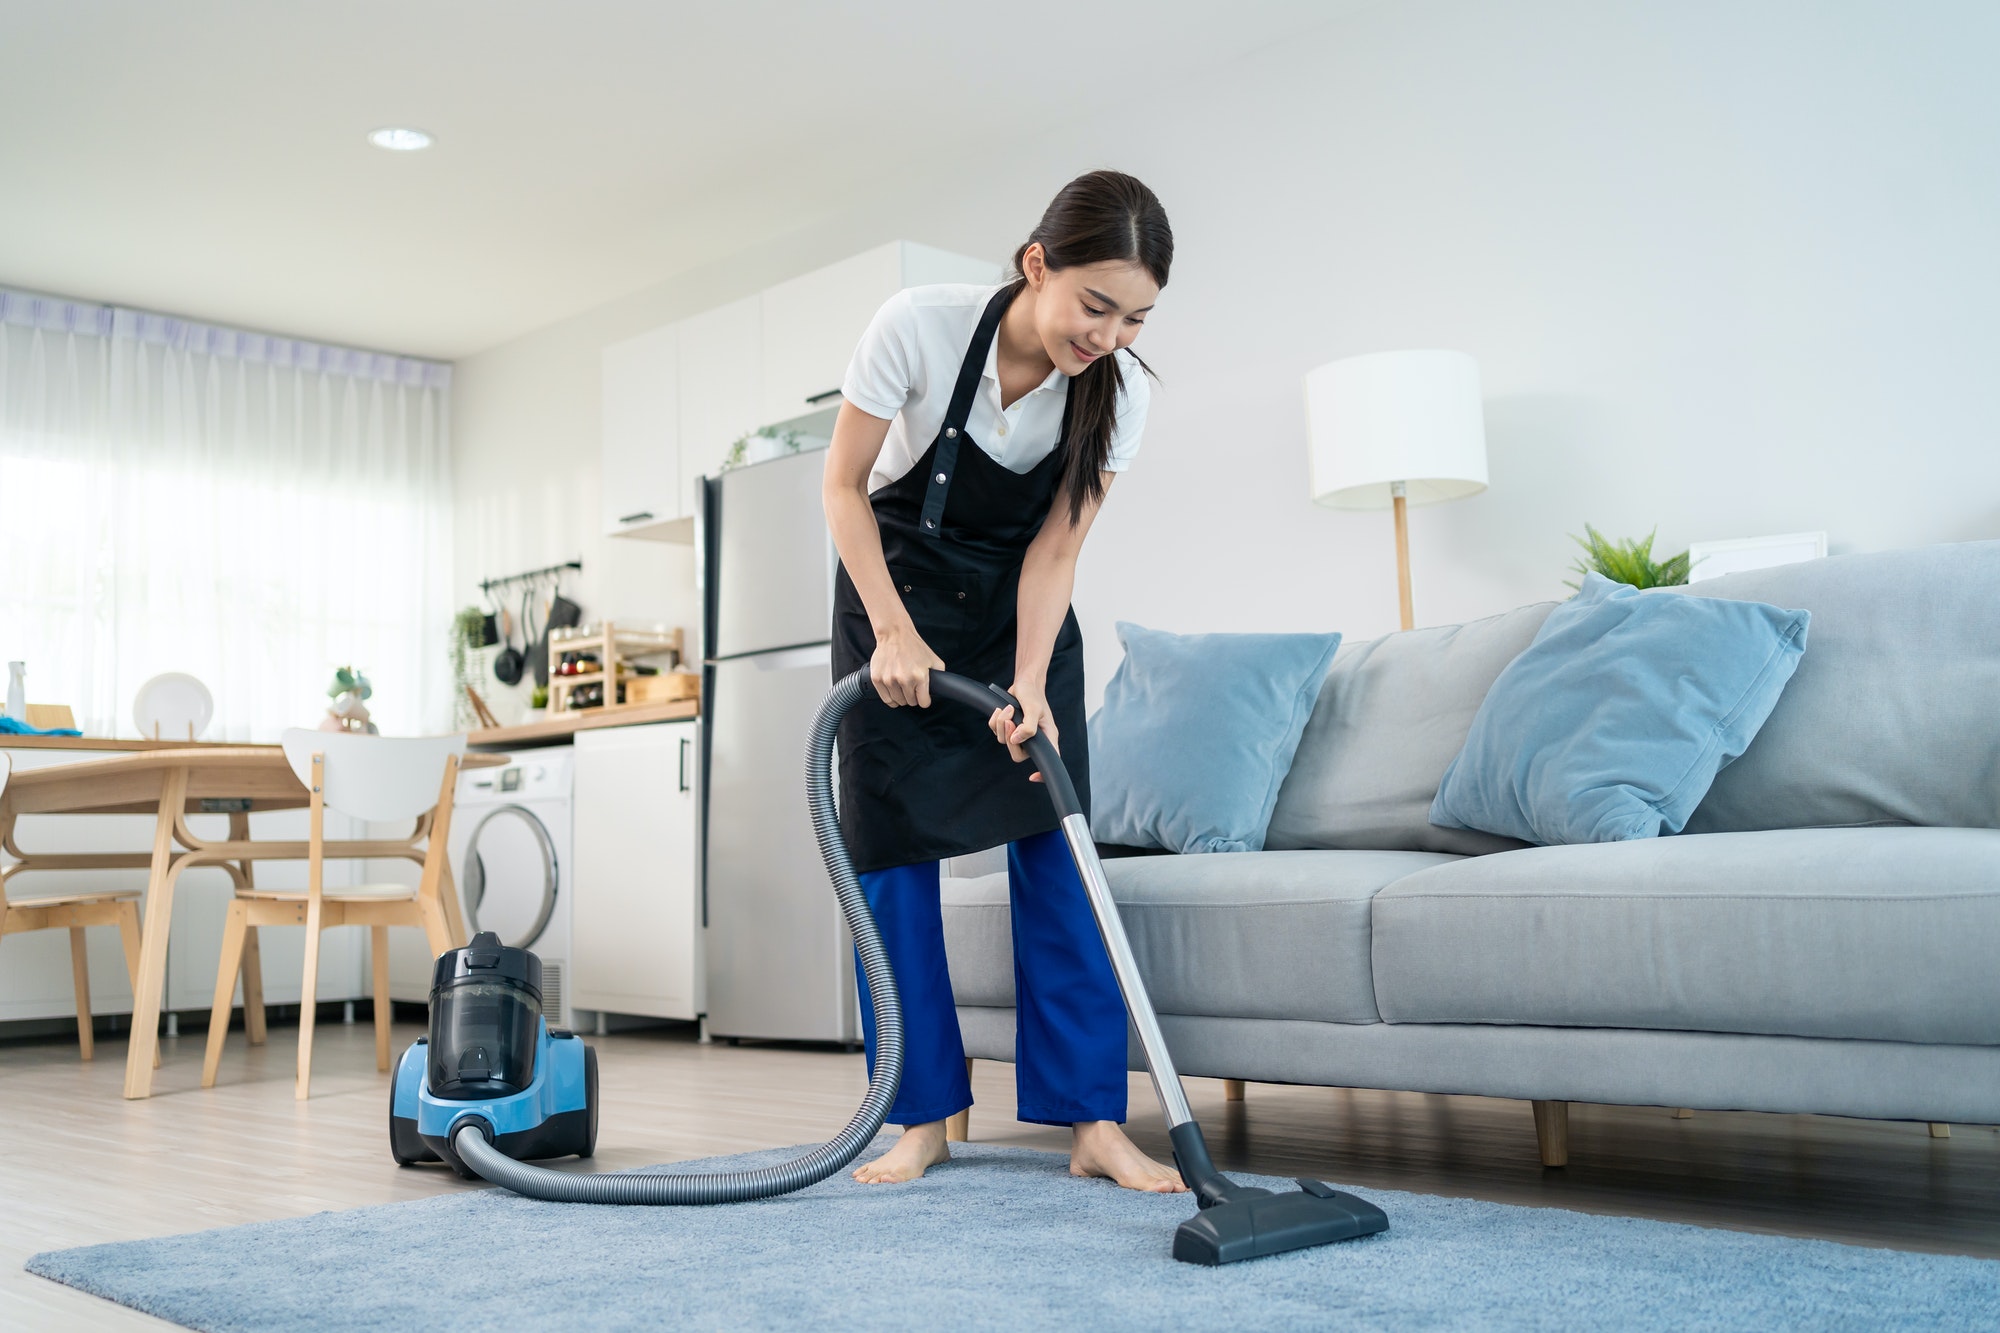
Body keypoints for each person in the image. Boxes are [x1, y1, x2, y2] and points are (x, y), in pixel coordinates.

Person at [821, 170, 1182, 1191]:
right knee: (891, 855)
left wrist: (1029, 678)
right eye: (1095, 305)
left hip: (1020, 618)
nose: (1109, 335)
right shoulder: (917, 328)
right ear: (1036, 266)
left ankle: (1092, 1121)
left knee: (1058, 848)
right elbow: (842, 487)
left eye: (1135, 318)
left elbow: (1055, 550)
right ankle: (921, 1115)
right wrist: (891, 632)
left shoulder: (1120, 394)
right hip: (893, 598)